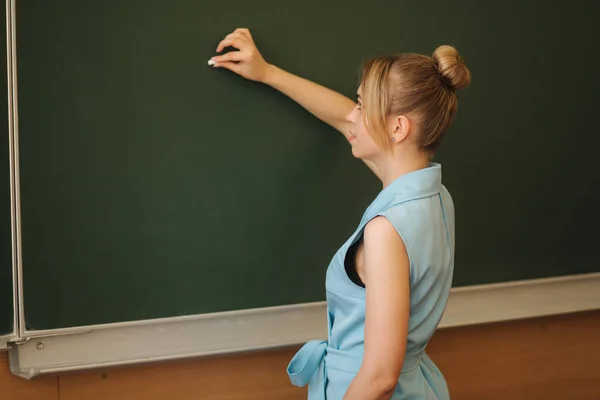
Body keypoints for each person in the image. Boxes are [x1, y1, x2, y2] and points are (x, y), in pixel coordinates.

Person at [210, 28, 470, 400]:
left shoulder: (386, 231)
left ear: (397, 128)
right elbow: (342, 118)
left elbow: (379, 376)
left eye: (364, 106)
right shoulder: (435, 198)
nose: (354, 114)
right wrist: (266, 72)